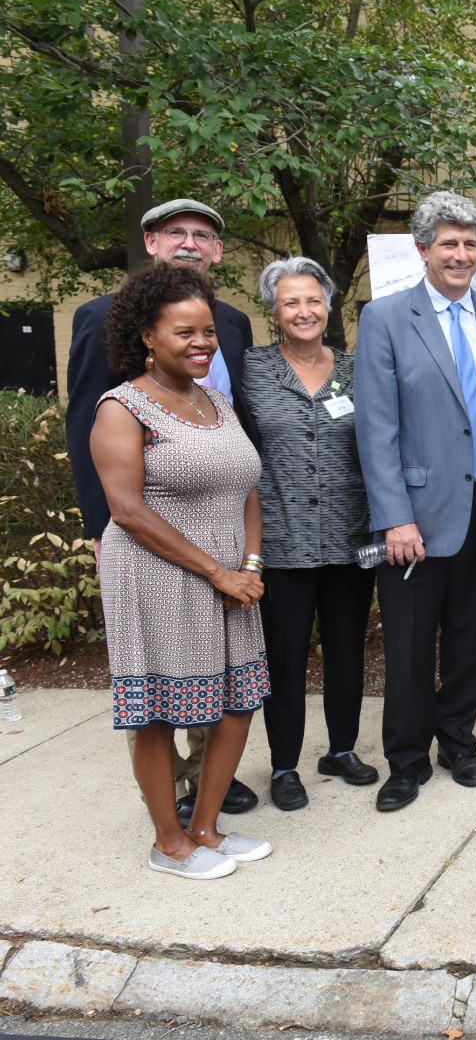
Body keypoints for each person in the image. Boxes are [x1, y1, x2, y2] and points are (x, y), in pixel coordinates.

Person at [65, 197, 259, 822]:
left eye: (204, 235)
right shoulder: (103, 321)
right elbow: (88, 434)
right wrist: (102, 525)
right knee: (158, 691)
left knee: (226, 686)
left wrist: (247, 556)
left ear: (218, 251)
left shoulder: (232, 323)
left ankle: (209, 788)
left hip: (223, 530)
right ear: (150, 242)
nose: (190, 243)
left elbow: (241, 431)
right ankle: (171, 804)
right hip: (148, 542)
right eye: (176, 232)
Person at [89, 263, 272, 879]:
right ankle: (168, 843)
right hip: (156, 577)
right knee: (162, 712)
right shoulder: (123, 408)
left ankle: (206, 827)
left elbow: (247, 485)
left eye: (208, 332)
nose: (201, 343)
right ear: (148, 335)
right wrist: (219, 574)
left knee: (238, 703)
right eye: (184, 333)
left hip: (230, 579)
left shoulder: (216, 400)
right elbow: (128, 511)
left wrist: (246, 565)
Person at [355, 191, 476, 812]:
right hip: (415, 518)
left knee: (471, 638)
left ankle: (457, 741)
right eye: (448, 243)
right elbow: (376, 427)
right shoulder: (386, 318)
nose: (461, 255)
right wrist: (394, 515)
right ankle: (405, 760)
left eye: (470, 244)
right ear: (422, 250)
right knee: (407, 643)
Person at [235, 258, 377, 811]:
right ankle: (285, 764)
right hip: (281, 539)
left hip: (350, 536)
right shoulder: (250, 369)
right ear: (275, 311)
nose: (304, 311)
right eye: (291, 302)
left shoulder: (356, 368)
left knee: (348, 651)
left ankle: (341, 749)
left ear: (329, 306)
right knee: (286, 657)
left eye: (313, 300)